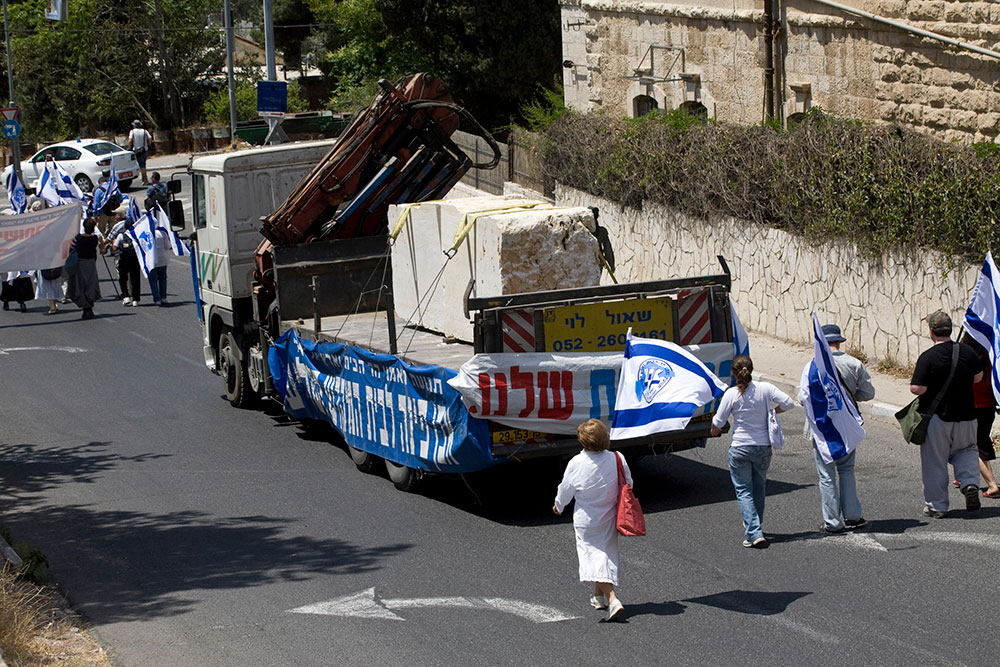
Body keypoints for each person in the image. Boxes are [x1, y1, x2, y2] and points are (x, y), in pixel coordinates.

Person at [711, 355, 795, 548]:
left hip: (740, 447)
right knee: (759, 487)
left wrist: (713, 431)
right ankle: (756, 526)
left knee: (743, 490)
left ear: (734, 373)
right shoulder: (765, 388)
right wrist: (773, 411)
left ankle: (753, 532)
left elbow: (718, 422)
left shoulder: (731, 394)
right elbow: (789, 402)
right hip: (763, 447)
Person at [800, 324, 876, 534]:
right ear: (839, 341)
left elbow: (802, 398)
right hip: (847, 424)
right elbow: (868, 393)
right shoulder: (854, 363)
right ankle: (852, 515)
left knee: (826, 475)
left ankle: (832, 521)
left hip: (822, 428)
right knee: (847, 470)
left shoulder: (812, 366)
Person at [553, 419, 631, 622]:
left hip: (586, 520)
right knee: (604, 553)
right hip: (611, 516)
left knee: (593, 556)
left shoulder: (577, 463)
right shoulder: (617, 458)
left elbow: (566, 489)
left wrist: (558, 506)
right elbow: (628, 483)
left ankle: (612, 599)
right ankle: (598, 597)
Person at [910, 310, 983, 517]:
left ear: (931, 331)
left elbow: (917, 388)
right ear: (950, 329)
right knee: (967, 451)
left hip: (937, 417)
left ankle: (937, 505)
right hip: (968, 415)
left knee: (935, 460)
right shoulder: (967, 352)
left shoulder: (928, 357)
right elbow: (978, 378)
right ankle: (969, 484)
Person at [960, 333, 1000, 499]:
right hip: (988, 406)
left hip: (971, 407)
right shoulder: (991, 359)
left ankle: (992, 485)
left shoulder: (966, 360)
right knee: (980, 440)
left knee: (972, 447)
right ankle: (964, 475)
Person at [67, 218, 104, 320]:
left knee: (81, 285)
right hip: (91, 263)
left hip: (80, 263)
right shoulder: (94, 238)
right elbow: (99, 248)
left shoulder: (78, 238)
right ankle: (89, 308)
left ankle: (85, 308)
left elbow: (71, 249)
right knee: (90, 285)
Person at [109, 215, 141, 306]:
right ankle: (136, 299)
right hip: (134, 259)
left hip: (123, 259)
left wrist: (113, 245)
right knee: (135, 279)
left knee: (123, 278)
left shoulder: (121, 236)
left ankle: (125, 296)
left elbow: (115, 247)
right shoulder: (136, 235)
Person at [148, 225, 171, 305]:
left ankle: (157, 299)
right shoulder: (162, 233)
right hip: (163, 259)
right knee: (163, 279)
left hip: (151, 261)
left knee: (153, 280)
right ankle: (163, 297)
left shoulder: (147, 234)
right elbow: (168, 246)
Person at [127, 120, 154, 186]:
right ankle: (143, 178)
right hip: (144, 150)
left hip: (136, 150)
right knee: (143, 164)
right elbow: (150, 139)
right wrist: (148, 145)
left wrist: (129, 148)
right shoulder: (145, 131)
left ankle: (145, 179)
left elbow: (130, 140)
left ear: (135, 125)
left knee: (141, 166)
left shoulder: (132, 132)